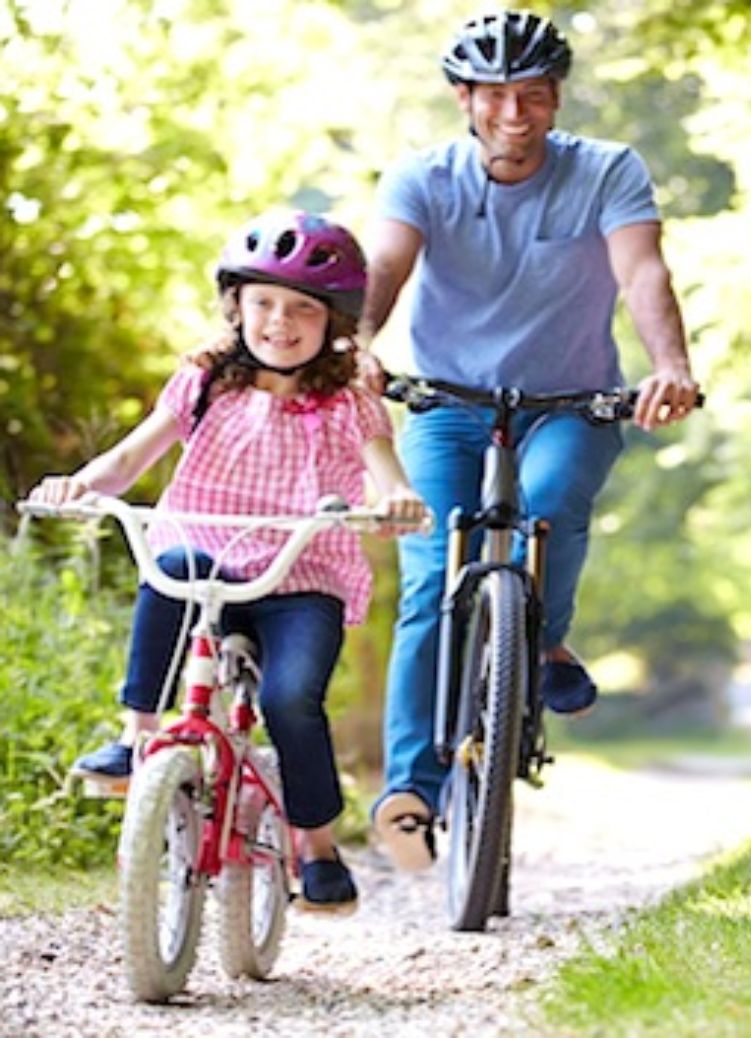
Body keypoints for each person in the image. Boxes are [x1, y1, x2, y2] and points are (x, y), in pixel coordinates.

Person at [360, 9, 699, 870]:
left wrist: (669, 365)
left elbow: (642, 270)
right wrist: (354, 344)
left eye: (535, 97)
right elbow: (386, 267)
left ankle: (540, 635)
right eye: (498, 97)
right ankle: (411, 791)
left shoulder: (607, 171)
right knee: (436, 572)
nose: (517, 114)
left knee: (549, 507)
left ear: (556, 100)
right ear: (464, 98)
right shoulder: (422, 178)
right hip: (446, 402)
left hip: (570, 402)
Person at [28, 210, 427, 913]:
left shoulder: (346, 399)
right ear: (235, 305)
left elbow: (384, 468)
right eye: (263, 302)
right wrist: (80, 486)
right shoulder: (205, 381)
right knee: (170, 565)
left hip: (303, 578)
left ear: (332, 321)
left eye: (302, 308)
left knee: (288, 699)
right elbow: (131, 456)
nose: (279, 321)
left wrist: (398, 500)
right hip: (210, 561)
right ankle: (138, 736)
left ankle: (317, 843)